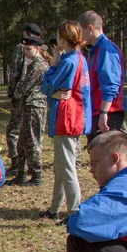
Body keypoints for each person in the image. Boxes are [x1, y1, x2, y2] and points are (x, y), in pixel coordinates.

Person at [40, 20, 91, 222]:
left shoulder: (69, 62)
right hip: (73, 117)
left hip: (66, 119)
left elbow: (46, 87)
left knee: (67, 167)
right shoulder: (79, 58)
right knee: (60, 166)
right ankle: (55, 208)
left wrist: (53, 65)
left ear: (63, 39)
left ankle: (74, 212)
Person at [79, 11, 127, 141]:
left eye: (80, 31)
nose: (79, 36)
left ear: (90, 28)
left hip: (108, 113)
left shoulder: (106, 50)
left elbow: (110, 84)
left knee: (112, 153)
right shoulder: (94, 51)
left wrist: (103, 113)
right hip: (96, 111)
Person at [11, 37, 50, 186]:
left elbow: (25, 87)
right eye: (25, 49)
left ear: (38, 49)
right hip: (27, 106)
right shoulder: (32, 64)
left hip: (35, 106)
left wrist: (16, 93)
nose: (26, 52)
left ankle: (36, 176)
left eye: (29, 49)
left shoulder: (39, 66)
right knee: (22, 141)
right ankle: (21, 174)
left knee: (33, 141)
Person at [5, 23, 43, 169]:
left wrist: (13, 93)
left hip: (26, 97)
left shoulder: (22, 49)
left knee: (18, 132)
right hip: (34, 98)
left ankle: (20, 164)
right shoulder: (41, 50)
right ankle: (22, 165)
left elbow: (15, 71)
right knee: (28, 134)